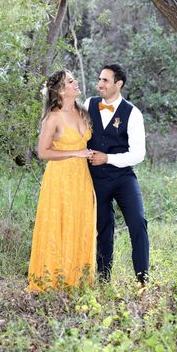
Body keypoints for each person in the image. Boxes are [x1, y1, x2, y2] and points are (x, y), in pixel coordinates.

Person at [27, 70, 96, 291]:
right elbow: (43, 152)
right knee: (59, 224)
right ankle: (53, 280)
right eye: (70, 80)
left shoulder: (83, 112)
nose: (76, 83)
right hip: (59, 179)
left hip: (82, 179)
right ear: (60, 90)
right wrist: (75, 153)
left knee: (80, 223)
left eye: (74, 79)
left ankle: (77, 279)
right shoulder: (53, 117)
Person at [85, 64, 149, 286]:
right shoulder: (89, 104)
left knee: (138, 222)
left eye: (105, 80)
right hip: (95, 179)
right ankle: (104, 280)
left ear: (118, 84)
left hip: (123, 178)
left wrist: (108, 158)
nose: (99, 84)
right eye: (99, 79)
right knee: (103, 227)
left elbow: (138, 154)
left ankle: (142, 280)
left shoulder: (133, 113)